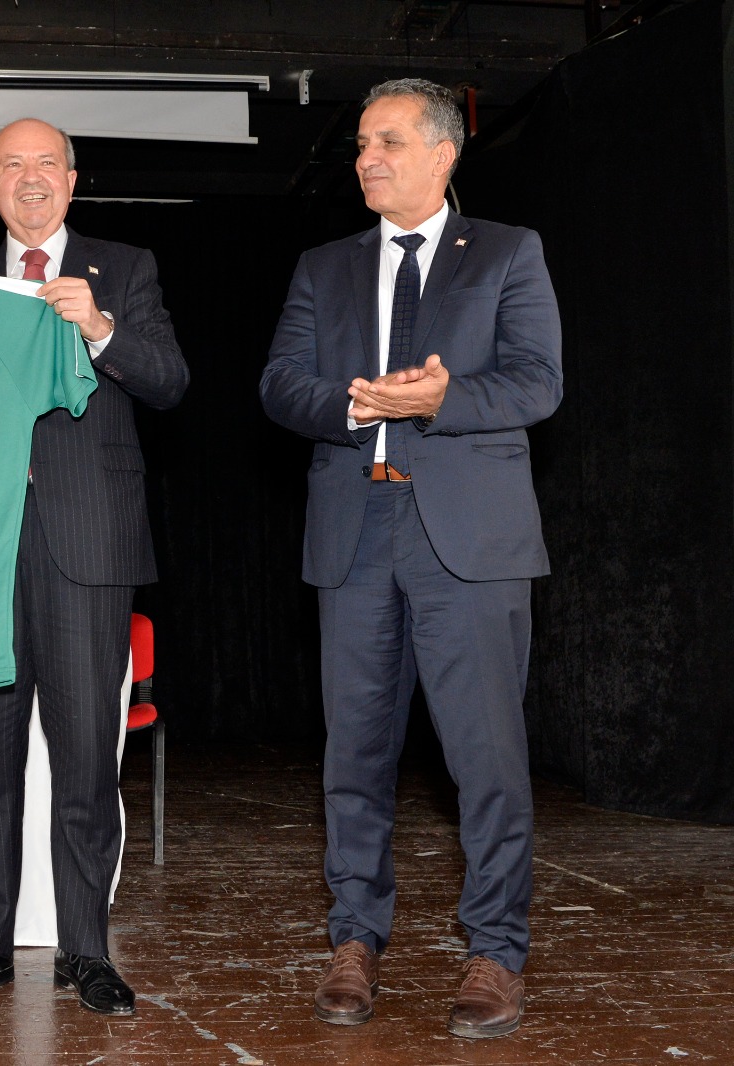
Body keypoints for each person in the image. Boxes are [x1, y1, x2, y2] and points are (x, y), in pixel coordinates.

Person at [260, 79, 562, 1039]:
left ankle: (496, 951)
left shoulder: (507, 252)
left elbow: (538, 382)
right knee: (354, 754)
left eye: (387, 141)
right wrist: (353, 405)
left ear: (442, 154)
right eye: (360, 144)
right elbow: (280, 383)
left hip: (468, 541)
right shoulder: (324, 266)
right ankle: (354, 940)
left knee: (486, 758)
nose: (366, 159)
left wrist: (440, 399)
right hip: (355, 535)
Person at [0, 117, 189, 1016]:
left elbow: (170, 381)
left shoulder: (124, 269)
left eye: (46, 163)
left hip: (87, 541)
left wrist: (99, 328)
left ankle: (85, 952)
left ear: (72, 177)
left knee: (86, 763)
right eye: (12, 166)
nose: (31, 178)